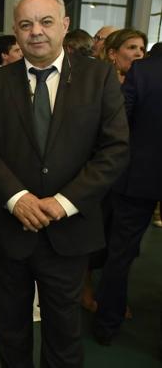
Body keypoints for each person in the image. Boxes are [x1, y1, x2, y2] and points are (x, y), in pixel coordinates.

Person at [0, 0, 129, 368]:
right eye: (26, 24)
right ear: (16, 33)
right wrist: (16, 197)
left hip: (69, 231)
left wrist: (64, 202)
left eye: (46, 22)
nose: (36, 31)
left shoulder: (99, 77)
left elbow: (115, 149)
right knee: (11, 329)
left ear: (65, 25)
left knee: (64, 331)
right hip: (10, 230)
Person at [92, 51, 162, 345]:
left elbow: (119, 124)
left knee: (119, 254)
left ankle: (107, 325)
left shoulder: (142, 71)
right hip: (139, 178)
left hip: (139, 177)